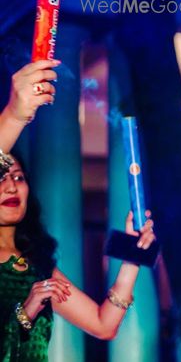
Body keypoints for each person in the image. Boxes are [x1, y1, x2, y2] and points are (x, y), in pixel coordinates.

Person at [0, 60, 156, 360]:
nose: (10, 187)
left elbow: (103, 325)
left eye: (18, 178)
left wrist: (132, 257)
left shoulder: (35, 267)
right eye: (0, 177)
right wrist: (15, 114)